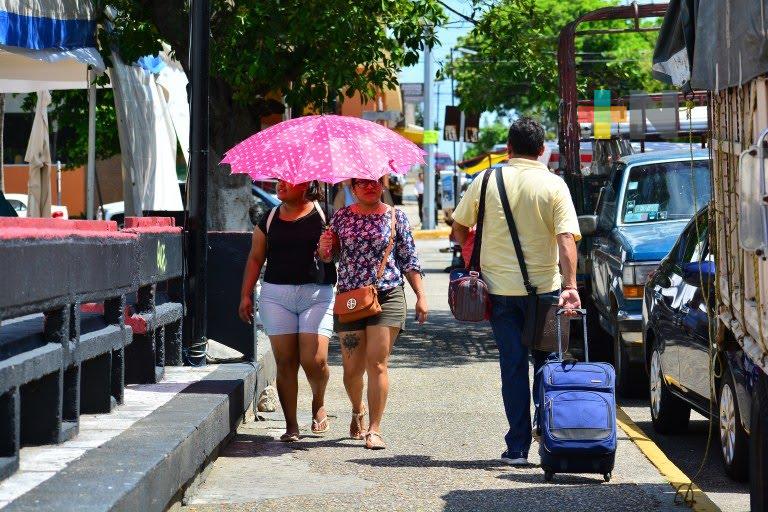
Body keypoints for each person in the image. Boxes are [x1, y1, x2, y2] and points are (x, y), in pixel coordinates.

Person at [451, 117, 582, 466]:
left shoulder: (486, 180)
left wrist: (473, 252)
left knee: (512, 366)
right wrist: (570, 286)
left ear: (508, 147)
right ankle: (549, 434)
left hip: (500, 291)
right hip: (547, 293)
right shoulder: (554, 185)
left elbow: (458, 229)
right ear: (542, 151)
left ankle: (518, 447)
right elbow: (566, 239)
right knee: (548, 363)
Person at [318, 177, 428, 450]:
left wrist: (421, 296)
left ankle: (375, 429)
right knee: (352, 369)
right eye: (363, 183)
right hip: (351, 300)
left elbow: (409, 259)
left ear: (382, 187)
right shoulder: (341, 217)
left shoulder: (396, 217)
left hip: (388, 295)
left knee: (377, 363)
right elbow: (327, 258)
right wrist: (324, 246)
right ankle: (358, 409)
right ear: (352, 189)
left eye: (375, 182)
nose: (370, 187)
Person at [239, 180, 336, 442]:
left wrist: (328, 249)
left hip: (317, 295)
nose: (281, 184)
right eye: (279, 179)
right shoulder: (268, 219)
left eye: (288, 180)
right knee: (285, 362)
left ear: (306, 184)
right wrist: (245, 294)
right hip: (276, 296)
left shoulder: (325, 216)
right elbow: (256, 258)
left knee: (314, 360)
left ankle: (318, 402)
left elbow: (337, 256)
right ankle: (291, 425)